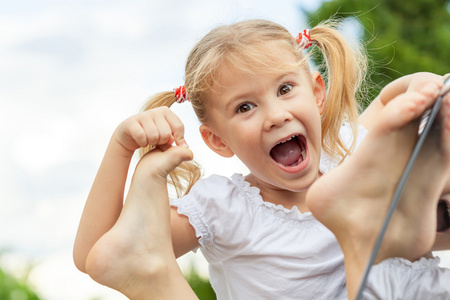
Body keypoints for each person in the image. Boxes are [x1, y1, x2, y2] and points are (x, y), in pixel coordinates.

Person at [73, 18, 447, 299]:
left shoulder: (346, 152)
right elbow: (99, 252)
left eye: (285, 88)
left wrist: (424, 86)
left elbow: (388, 102)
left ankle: (421, 213)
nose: (276, 115)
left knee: (408, 173)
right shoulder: (225, 208)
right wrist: (121, 150)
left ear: (318, 93)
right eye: (245, 107)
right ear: (217, 140)